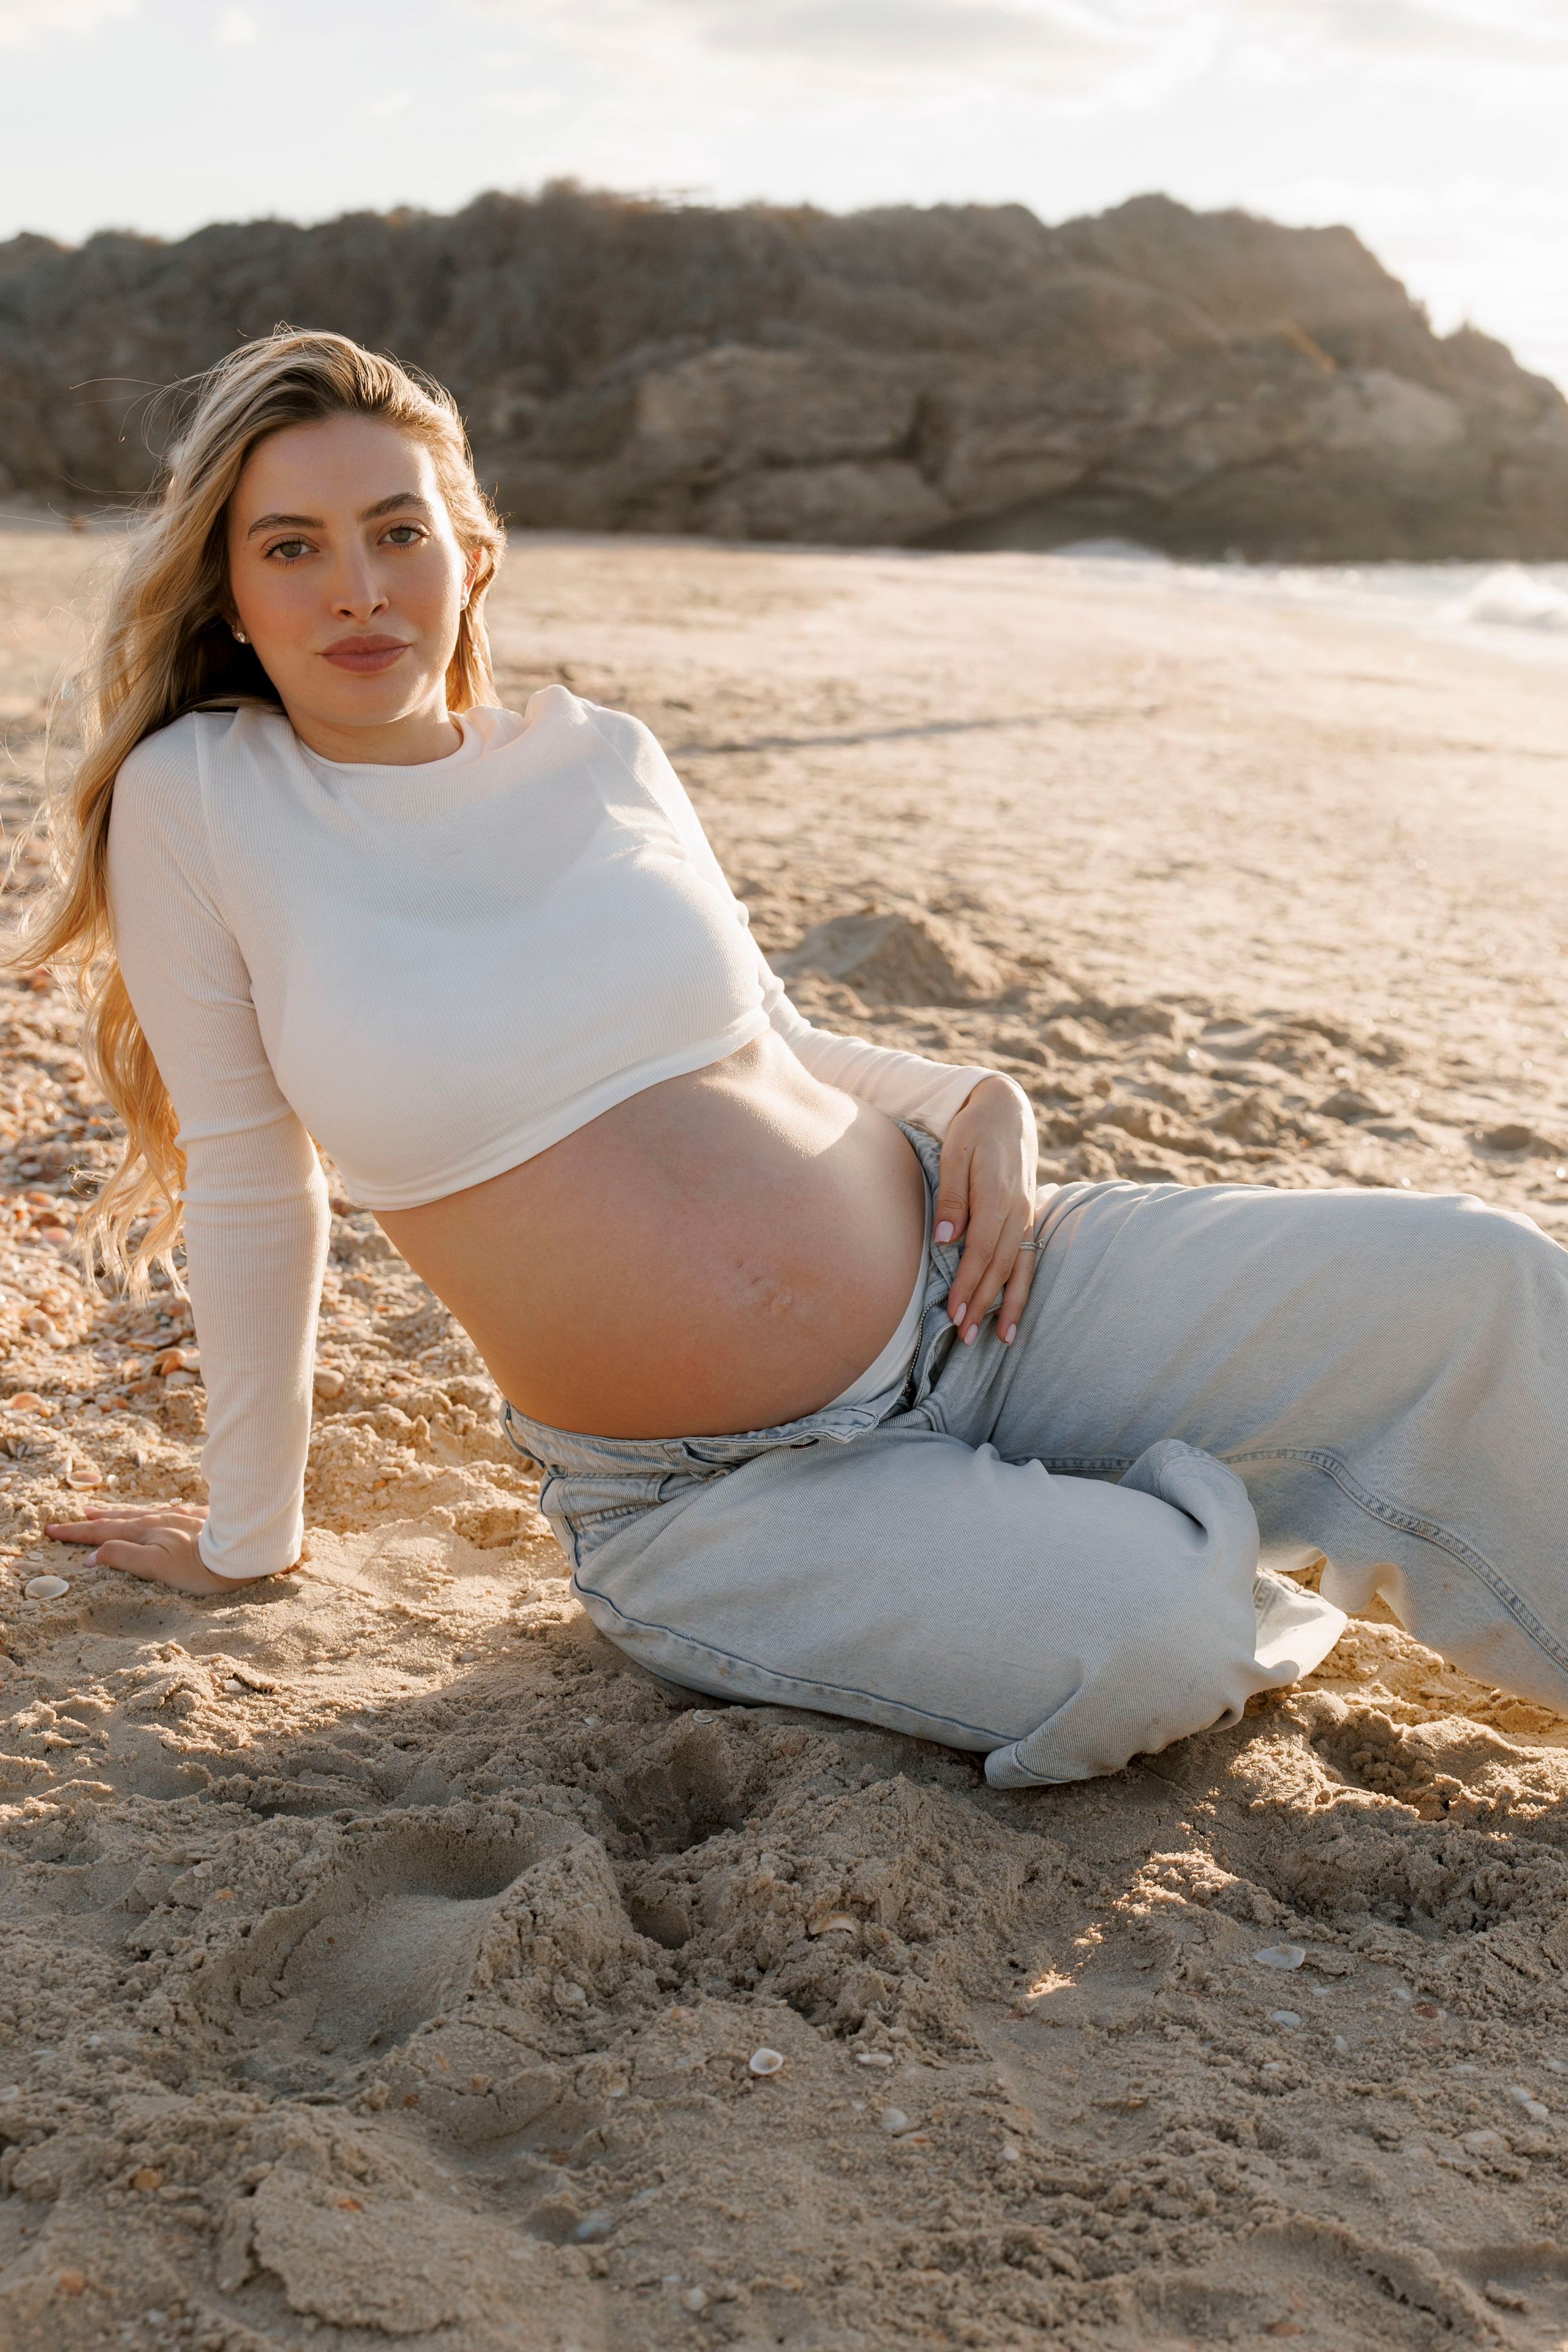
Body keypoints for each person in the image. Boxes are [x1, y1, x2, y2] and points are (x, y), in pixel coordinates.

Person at [30, 331, 1568, 1788]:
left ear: (470, 552)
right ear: (229, 593)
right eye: (291, 546)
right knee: (1145, 1643)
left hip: (989, 1289)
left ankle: (1145, 1487)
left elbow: (759, 1037)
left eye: (397, 531)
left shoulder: (602, 755)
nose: (357, 589)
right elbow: (247, 1176)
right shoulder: (201, 800)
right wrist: (252, 1533)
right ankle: (1164, 1525)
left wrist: (975, 1096)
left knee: (1476, 1278)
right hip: (722, 1496)